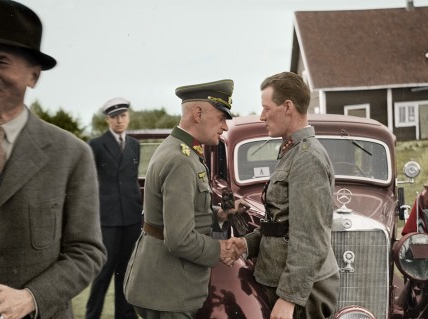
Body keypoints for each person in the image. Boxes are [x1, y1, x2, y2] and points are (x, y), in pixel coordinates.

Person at [0, 0, 106, 318]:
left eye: (1, 62)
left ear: (33, 76)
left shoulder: (71, 154)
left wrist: (31, 298)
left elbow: (87, 252)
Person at [228, 72, 340, 319]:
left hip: (302, 293)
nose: (261, 116)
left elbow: (310, 238)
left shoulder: (308, 158)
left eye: (266, 108)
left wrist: (289, 298)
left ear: (287, 107)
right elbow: (283, 226)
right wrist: (248, 243)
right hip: (286, 281)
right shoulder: (293, 151)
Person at [124, 79, 239, 319]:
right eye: (221, 117)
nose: (225, 127)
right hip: (168, 290)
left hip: (164, 285)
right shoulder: (180, 160)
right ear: (198, 113)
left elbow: (180, 214)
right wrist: (220, 249)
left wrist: (218, 215)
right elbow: (179, 239)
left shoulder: (181, 150)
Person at [86, 98, 142, 319]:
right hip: (107, 219)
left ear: (128, 117)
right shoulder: (96, 145)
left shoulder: (134, 145)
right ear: (108, 119)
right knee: (102, 273)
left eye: (123, 115)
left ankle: (125, 316)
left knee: (127, 272)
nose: (120, 121)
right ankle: (92, 315)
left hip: (130, 218)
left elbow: (130, 181)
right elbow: (89, 182)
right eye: (115, 117)